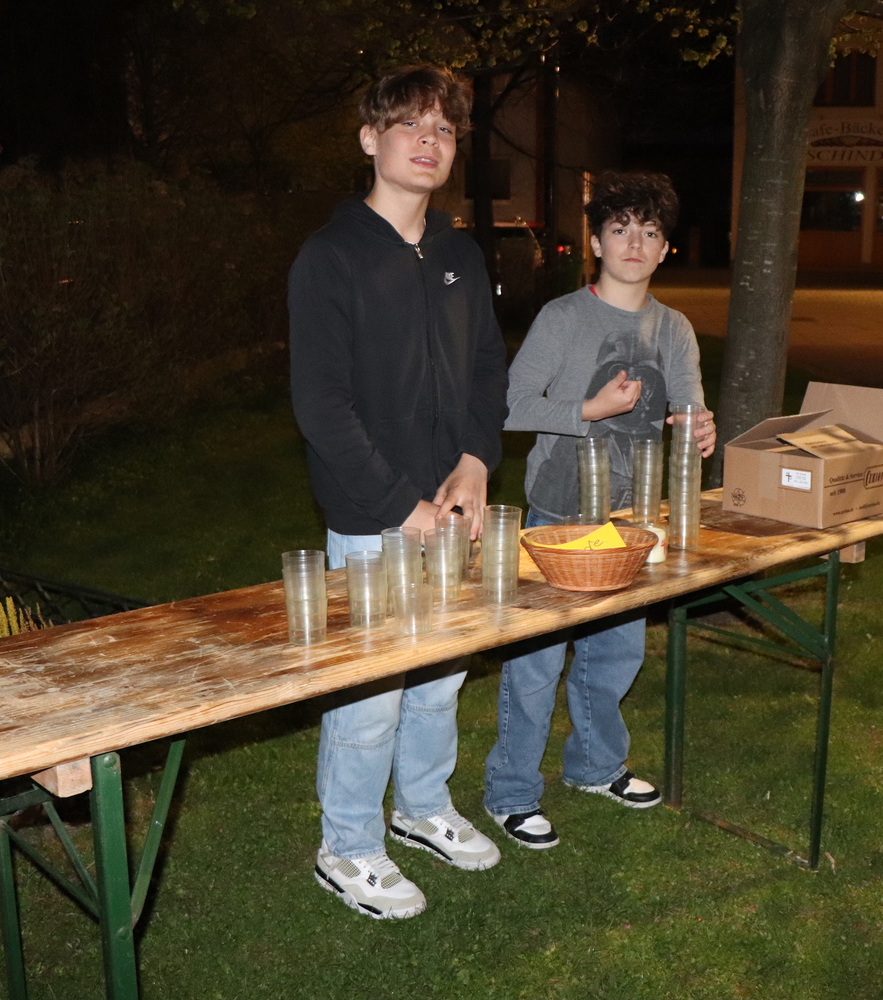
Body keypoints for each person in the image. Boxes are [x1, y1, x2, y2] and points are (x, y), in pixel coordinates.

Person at [288, 65, 508, 919]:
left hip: (451, 509)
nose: (429, 141)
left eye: (444, 129)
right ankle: (346, 846)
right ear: (369, 139)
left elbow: (487, 369)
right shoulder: (331, 256)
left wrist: (477, 461)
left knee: (441, 680)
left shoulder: (460, 254)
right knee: (372, 695)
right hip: (373, 517)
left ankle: (420, 807)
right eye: (410, 124)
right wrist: (399, 506)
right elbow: (321, 406)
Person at [483, 170, 716, 849]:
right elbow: (510, 406)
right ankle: (511, 793)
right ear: (595, 242)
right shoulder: (563, 319)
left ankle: (595, 766)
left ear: (665, 248)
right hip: (558, 515)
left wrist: (699, 428)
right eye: (620, 230)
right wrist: (590, 409)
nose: (634, 244)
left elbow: (687, 410)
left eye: (650, 232)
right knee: (536, 663)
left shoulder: (674, 328)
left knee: (615, 653)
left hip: (631, 522)